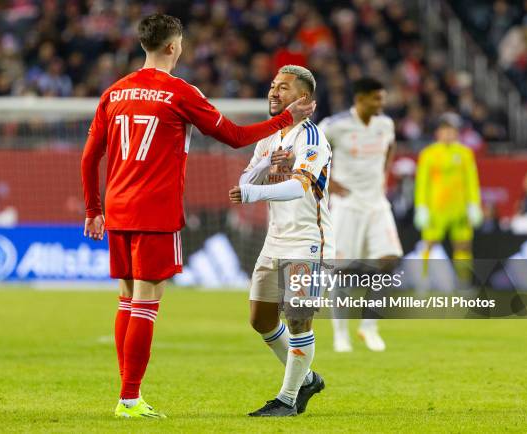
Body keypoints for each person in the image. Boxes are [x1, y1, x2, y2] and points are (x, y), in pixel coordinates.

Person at [80, 14, 315, 419]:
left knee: (126, 300)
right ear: (173, 47)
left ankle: (126, 395)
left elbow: (89, 157)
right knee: (146, 303)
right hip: (154, 210)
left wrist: (93, 209)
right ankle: (130, 399)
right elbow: (235, 137)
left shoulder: (114, 92)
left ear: (144, 45)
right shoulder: (179, 93)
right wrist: (284, 121)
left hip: (117, 208)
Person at [229, 65, 330, 417]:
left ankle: (287, 400)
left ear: (303, 99)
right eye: (273, 86)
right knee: (260, 320)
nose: (274, 92)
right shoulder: (269, 137)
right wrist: (263, 167)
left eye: (283, 88)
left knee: (299, 317)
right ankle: (308, 378)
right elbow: (247, 174)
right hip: (275, 239)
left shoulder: (312, 137)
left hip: (306, 239)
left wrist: (254, 193)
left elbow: (299, 186)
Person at [317, 78, 403, 353]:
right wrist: (329, 184)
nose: (381, 104)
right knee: (342, 270)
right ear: (361, 98)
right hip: (347, 206)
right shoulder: (334, 125)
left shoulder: (385, 125)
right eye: (377, 98)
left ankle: (369, 327)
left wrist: (383, 176)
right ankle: (340, 334)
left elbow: (390, 147)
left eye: (382, 98)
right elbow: (309, 154)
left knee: (388, 260)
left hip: (377, 205)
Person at [414, 113, 482, 285]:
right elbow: (422, 183)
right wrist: (421, 207)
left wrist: (474, 205)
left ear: (457, 132)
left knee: (463, 246)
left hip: (459, 209)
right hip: (435, 209)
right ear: (438, 132)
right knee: (429, 245)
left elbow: (471, 181)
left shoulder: (465, 154)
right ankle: (424, 282)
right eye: (445, 130)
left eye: (452, 130)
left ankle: (463, 282)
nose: (448, 134)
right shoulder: (428, 154)